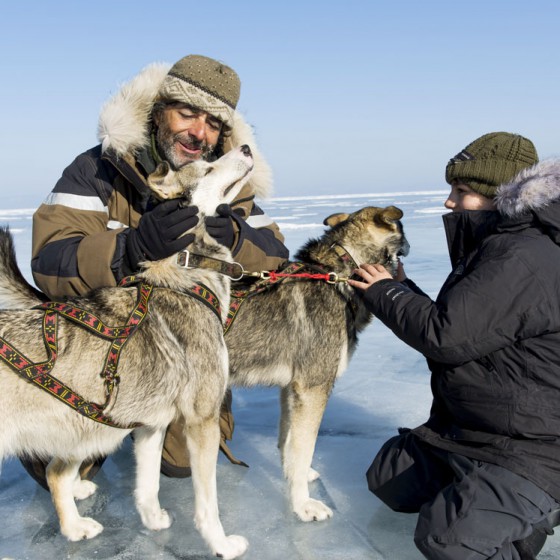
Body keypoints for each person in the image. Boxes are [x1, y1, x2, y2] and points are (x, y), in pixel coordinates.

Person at [22, 54, 289, 489]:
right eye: (187, 113)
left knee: (185, 461)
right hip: (99, 343)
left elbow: (276, 255)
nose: (199, 133)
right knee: (60, 461)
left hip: (181, 348)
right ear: (160, 110)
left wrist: (237, 238)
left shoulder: (228, 180)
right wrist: (130, 249)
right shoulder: (97, 169)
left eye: (213, 123)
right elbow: (50, 260)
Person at [349, 132, 560, 559]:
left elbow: (446, 337)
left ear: (500, 195)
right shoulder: (498, 244)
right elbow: (465, 325)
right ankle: (494, 503)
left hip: (530, 444)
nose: (449, 201)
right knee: (388, 478)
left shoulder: (522, 256)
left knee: (447, 538)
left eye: (461, 191)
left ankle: (527, 511)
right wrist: (402, 288)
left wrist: (386, 293)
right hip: (472, 428)